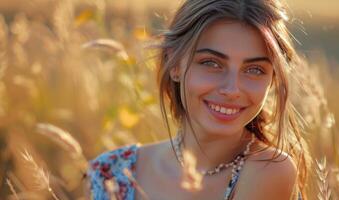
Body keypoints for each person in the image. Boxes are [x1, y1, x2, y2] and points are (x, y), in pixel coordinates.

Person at [87, 0, 312, 199]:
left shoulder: (270, 171)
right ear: (173, 63)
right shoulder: (111, 171)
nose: (232, 89)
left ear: (272, 78)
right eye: (211, 63)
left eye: (254, 69)